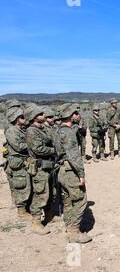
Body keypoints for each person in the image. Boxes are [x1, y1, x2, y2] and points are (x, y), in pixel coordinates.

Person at [54, 103, 92, 244]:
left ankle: (69, 228)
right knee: (81, 200)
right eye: (76, 113)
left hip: (62, 171)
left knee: (68, 201)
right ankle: (74, 232)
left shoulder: (59, 130)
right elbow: (74, 156)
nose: (78, 115)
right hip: (70, 172)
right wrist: (81, 174)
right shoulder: (68, 133)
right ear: (70, 115)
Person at [26, 105, 56, 235]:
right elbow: (38, 149)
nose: (44, 116)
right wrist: (53, 150)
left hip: (47, 165)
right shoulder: (32, 131)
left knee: (49, 192)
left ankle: (49, 215)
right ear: (34, 117)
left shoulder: (41, 129)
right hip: (40, 167)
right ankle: (36, 222)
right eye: (41, 114)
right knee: (40, 194)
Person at [4, 107, 31, 220]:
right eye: (21, 117)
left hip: (24, 162)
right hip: (17, 163)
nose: (24, 118)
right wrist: (32, 144)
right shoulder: (12, 131)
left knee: (27, 185)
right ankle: (21, 211)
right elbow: (18, 147)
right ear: (15, 118)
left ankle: (26, 208)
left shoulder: (22, 129)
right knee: (21, 186)